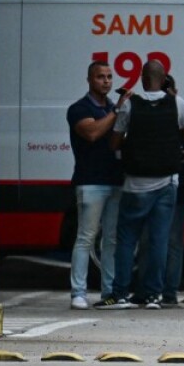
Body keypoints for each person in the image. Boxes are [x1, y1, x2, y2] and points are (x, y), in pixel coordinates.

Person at [98, 59, 184, 309]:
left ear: (141, 79)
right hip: (166, 183)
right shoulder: (178, 103)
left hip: (134, 184)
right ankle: (153, 295)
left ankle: (120, 294)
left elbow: (114, 142)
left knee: (127, 240)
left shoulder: (130, 104)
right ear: (164, 79)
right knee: (159, 240)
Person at [66, 61, 124, 309]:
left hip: (115, 181)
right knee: (85, 238)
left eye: (110, 77)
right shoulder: (79, 108)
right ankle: (78, 292)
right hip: (90, 181)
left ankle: (109, 292)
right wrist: (117, 113)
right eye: (101, 77)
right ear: (89, 79)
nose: (107, 81)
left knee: (111, 240)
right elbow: (92, 133)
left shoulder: (112, 107)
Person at [156, 74, 184, 306]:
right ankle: (160, 292)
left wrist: (174, 156)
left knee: (168, 242)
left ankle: (167, 292)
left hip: (172, 184)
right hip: (164, 184)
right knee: (164, 242)